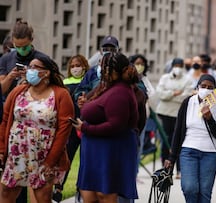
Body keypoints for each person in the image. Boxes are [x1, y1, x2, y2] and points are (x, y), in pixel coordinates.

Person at [0, 55, 74, 203]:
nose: (29, 70)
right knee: (6, 192)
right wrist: (2, 150)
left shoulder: (61, 94)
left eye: (34, 67)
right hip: (17, 153)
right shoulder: (18, 91)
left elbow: (64, 131)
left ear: (45, 73)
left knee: (42, 197)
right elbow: (5, 120)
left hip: (45, 155)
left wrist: (50, 161)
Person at [72, 52, 139, 203]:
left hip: (109, 149)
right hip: (95, 148)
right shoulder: (106, 85)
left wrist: (85, 129)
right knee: (88, 191)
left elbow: (116, 125)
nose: (100, 70)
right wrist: (85, 104)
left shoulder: (120, 92)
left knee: (105, 193)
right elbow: (95, 103)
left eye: (104, 67)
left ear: (115, 70)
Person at [0, 19, 49, 203]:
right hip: (12, 120)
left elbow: (50, 89)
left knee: (35, 176)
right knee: (13, 176)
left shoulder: (42, 59)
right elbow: (2, 89)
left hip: (35, 122)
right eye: (17, 46)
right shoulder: (6, 59)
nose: (21, 50)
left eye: (25, 46)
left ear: (32, 40)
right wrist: (11, 78)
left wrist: (34, 80)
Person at [164, 74, 216, 203]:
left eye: (210, 87)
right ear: (198, 87)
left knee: (205, 192)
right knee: (189, 188)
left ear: (214, 90)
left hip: (211, 153)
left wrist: (210, 120)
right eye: (203, 86)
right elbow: (178, 131)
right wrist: (172, 157)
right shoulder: (188, 102)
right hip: (188, 150)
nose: (206, 89)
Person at [52, 54, 90, 202]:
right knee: (66, 158)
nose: (75, 68)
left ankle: (81, 188)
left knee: (85, 160)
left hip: (86, 125)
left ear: (84, 66)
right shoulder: (65, 83)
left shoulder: (88, 82)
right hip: (70, 126)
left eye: (78, 65)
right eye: (72, 66)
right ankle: (58, 188)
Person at [156, 57, 193, 179]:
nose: (177, 67)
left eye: (179, 65)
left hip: (179, 115)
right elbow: (160, 93)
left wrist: (170, 95)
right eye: (175, 65)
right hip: (165, 113)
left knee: (178, 142)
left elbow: (186, 96)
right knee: (166, 141)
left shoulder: (187, 79)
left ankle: (179, 170)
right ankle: (165, 169)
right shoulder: (165, 78)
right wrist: (174, 93)